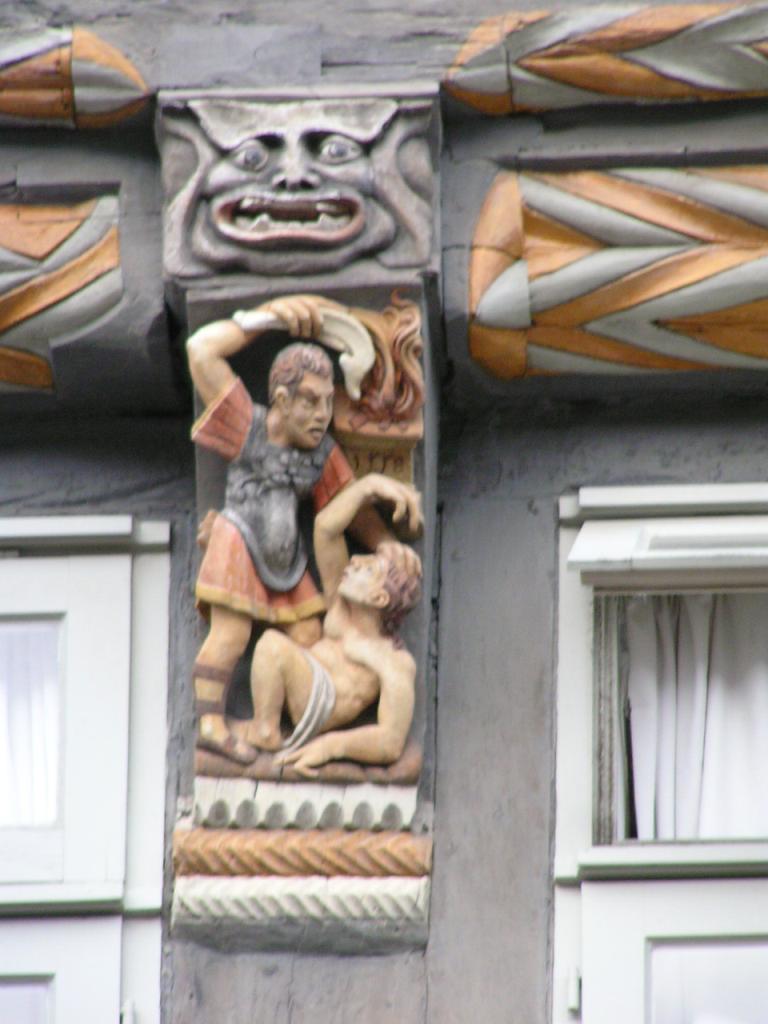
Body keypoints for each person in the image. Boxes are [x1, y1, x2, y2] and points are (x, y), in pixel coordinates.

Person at [187, 295, 400, 763]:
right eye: (310, 401)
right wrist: (267, 317)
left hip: (286, 564)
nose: (323, 414)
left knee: (308, 636)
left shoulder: (321, 453)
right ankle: (211, 724)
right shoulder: (249, 425)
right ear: (281, 400)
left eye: (327, 401)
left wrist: (385, 542)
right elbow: (201, 349)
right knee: (230, 636)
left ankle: (281, 723)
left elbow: (351, 507)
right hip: (239, 541)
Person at [242, 472, 423, 777]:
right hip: (306, 684)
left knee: (272, 646)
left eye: (368, 569)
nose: (354, 562)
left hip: (323, 704)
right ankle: (264, 727)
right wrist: (367, 486)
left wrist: (331, 746)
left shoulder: (394, 660)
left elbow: (391, 741)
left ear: (379, 597)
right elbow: (326, 528)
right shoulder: (341, 614)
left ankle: (264, 730)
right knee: (282, 640)